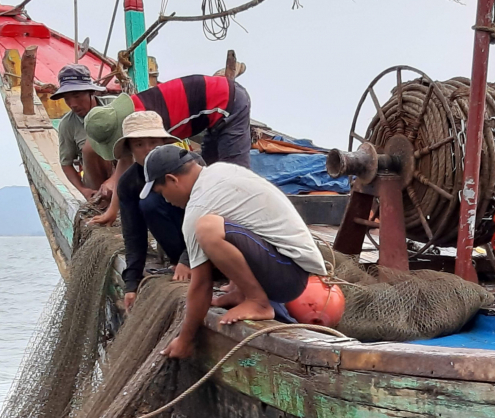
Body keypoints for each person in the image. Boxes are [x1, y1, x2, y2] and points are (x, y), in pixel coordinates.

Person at [138, 145, 326, 359]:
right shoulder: (218, 172)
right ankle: (240, 292)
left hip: (289, 275)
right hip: (288, 268)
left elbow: (201, 285)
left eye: (161, 192)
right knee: (220, 224)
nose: (165, 200)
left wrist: (185, 339)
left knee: (208, 229)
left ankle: (258, 302)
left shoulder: (198, 206)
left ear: (172, 179)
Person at [84, 74, 251, 225]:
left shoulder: (147, 124)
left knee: (234, 176)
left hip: (228, 102)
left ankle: (242, 227)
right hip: (210, 112)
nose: (144, 147)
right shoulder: (130, 117)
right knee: (208, 173)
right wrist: (112, 211)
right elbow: (125, 161)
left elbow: (140, 165)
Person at [112, 112, 192, 312]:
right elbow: (134, 235)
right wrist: (131, 284)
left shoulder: (190, 167)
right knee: (149, 202)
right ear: (130, 149)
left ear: (165, 142)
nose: (148, 150)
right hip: (179, 250)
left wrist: (188, 259)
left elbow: (208, 216)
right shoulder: (129, 183)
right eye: (139, 145)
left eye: (153, 142)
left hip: (208, 242)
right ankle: (176, 261)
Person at [53, 64, 113, 199]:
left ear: (91, 92)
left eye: (77, 96)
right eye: (67, 98)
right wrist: (83, 190)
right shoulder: (67, 124)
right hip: (97, 185)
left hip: (124, 172)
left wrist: (114, 180)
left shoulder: (114, 107)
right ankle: (101, 202)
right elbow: (66, 163)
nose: (72, 103)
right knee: (90, 147)